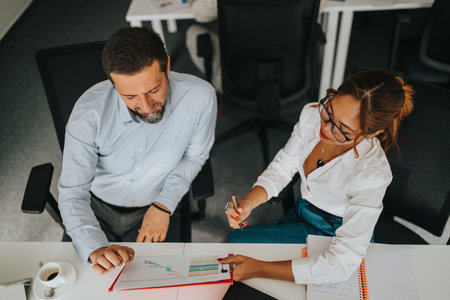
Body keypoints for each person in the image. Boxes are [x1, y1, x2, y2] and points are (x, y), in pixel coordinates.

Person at [220, 69, 414, 283]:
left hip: (334, 232)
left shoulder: (371, 175)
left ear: (371, 133)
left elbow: (342, 263)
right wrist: (248, 202)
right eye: (329, 110)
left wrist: (260, 269)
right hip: (302, 209)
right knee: (236, 247)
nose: (326, 129)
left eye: (343, 130)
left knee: (245, 256)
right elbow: (284, 165)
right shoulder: (312, 114)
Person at [58, 27, 217, 274]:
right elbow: (72, 194)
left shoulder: (200, 97)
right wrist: (94, 248)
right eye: (129, 96)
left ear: (167, 66)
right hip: (95, 208)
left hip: (158, 202)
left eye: (153, 90)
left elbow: (194, 156)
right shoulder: (87, 114)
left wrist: (164, 204)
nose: (145, 106)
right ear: (113, 85)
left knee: (160, 285)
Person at [185, 0, 222, 93]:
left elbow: (200, 11)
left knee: (193, 32)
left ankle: (215, 80)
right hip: (264, 72)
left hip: (230, 82)